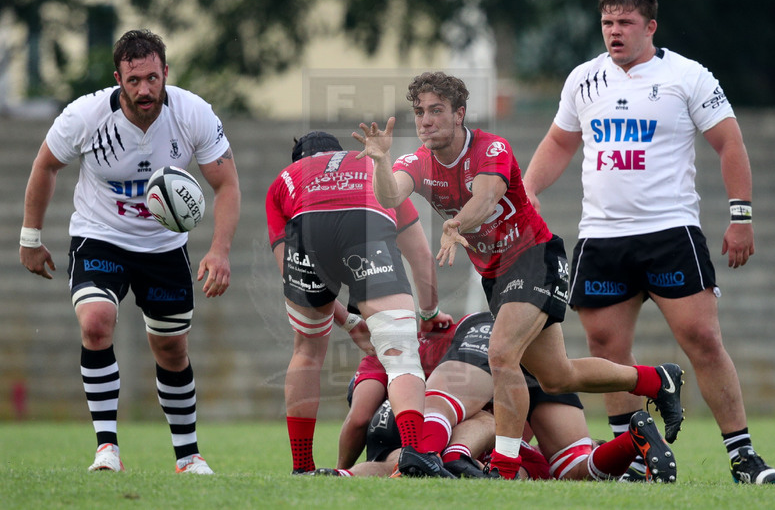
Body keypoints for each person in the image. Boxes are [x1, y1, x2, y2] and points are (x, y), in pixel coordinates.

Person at [353, 70, 684, 479]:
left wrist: (456, 224)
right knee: (558, 375)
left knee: (501, 355)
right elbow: (389, 195)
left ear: (459, 114)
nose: (425, 120)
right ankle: (656, 380)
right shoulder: (416, 162)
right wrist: (382, 161)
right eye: (420, 112)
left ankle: (506, 469)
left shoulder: (491, 147)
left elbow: (487, 195)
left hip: (535, 258)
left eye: (436, 110)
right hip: (498, 276)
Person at [522, 0, 775, 485]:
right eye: (607, 24)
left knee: (702, 338)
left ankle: (743, 457)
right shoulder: (583, 79)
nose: (614, 33)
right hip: (601, 235)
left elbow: (729, 142)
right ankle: (635, 456)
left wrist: (741, 216)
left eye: (625, 24)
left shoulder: (688, 76)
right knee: (605, 348)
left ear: (650, 26)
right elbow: (558, 141)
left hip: (670, 231)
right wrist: (529, 188)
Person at [19, 29, 241, 474]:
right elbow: (45, 165)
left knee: (171, 349)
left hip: (163, 246)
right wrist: (30, 238)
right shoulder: (84, 116)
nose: (145, 89)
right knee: (97, 323)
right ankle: (106, 448)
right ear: (118, 77)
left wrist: (219, 251)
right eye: (134, 79)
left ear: (165, 74)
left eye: (153, 78)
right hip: (99, 235)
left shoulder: (192, 113)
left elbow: (227, 184)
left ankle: (188, 456)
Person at [265, 131, 452, 474]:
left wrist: (349, 322)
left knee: (306, 351)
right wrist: (428, 312)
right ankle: (412, 454)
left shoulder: (285, 180)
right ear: (339, 152)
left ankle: (303, 467)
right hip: (364, 222)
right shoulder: (368, 164)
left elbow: (292, 277)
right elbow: (421, 255)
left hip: (306, 226)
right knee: (400, 351)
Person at [321, 312, 677, 483]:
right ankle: (635, 430)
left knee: (449, 411)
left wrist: (343, 463)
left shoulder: (386, 356)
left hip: (490, 336)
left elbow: (359, 416)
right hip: (521, 345)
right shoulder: (394, 346)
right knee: (571, 464)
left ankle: (420, 460)